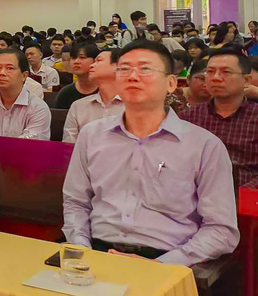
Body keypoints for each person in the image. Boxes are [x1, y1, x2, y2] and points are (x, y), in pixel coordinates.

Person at [62, 41, 239, 266]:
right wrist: (82, 249)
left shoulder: (204, 146)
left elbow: (221, 229)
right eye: (124, 69)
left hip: (167, 258)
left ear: (171, 83)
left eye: (145, 69)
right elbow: (76, 202)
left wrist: (164, 264)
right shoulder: (91, 135)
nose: (132, 77)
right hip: (96, 253)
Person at [182, 50, 258, 188]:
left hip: (246, 194)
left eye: (226, 72)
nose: (216, 78)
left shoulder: (255, 117)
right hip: (196, 192)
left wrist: (240, 193)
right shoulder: (189, 117)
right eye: (210, 72)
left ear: (246, 80)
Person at [0, 49, 50, 139]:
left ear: (24, 75)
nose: (1, 73)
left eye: (10, 68)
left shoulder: (38, 108)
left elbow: (31, 144)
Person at [63, 49, 124, 143]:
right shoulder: (78, 106)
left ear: (117, 67)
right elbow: (69, 145)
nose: (91, 65)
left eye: (98, 61)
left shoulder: (135, 106)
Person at [54, 42, 100, 111]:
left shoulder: (104, 90)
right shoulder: (65, 93)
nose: (76, 62)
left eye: (82, 57)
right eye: (73, 58)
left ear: (95, 61)